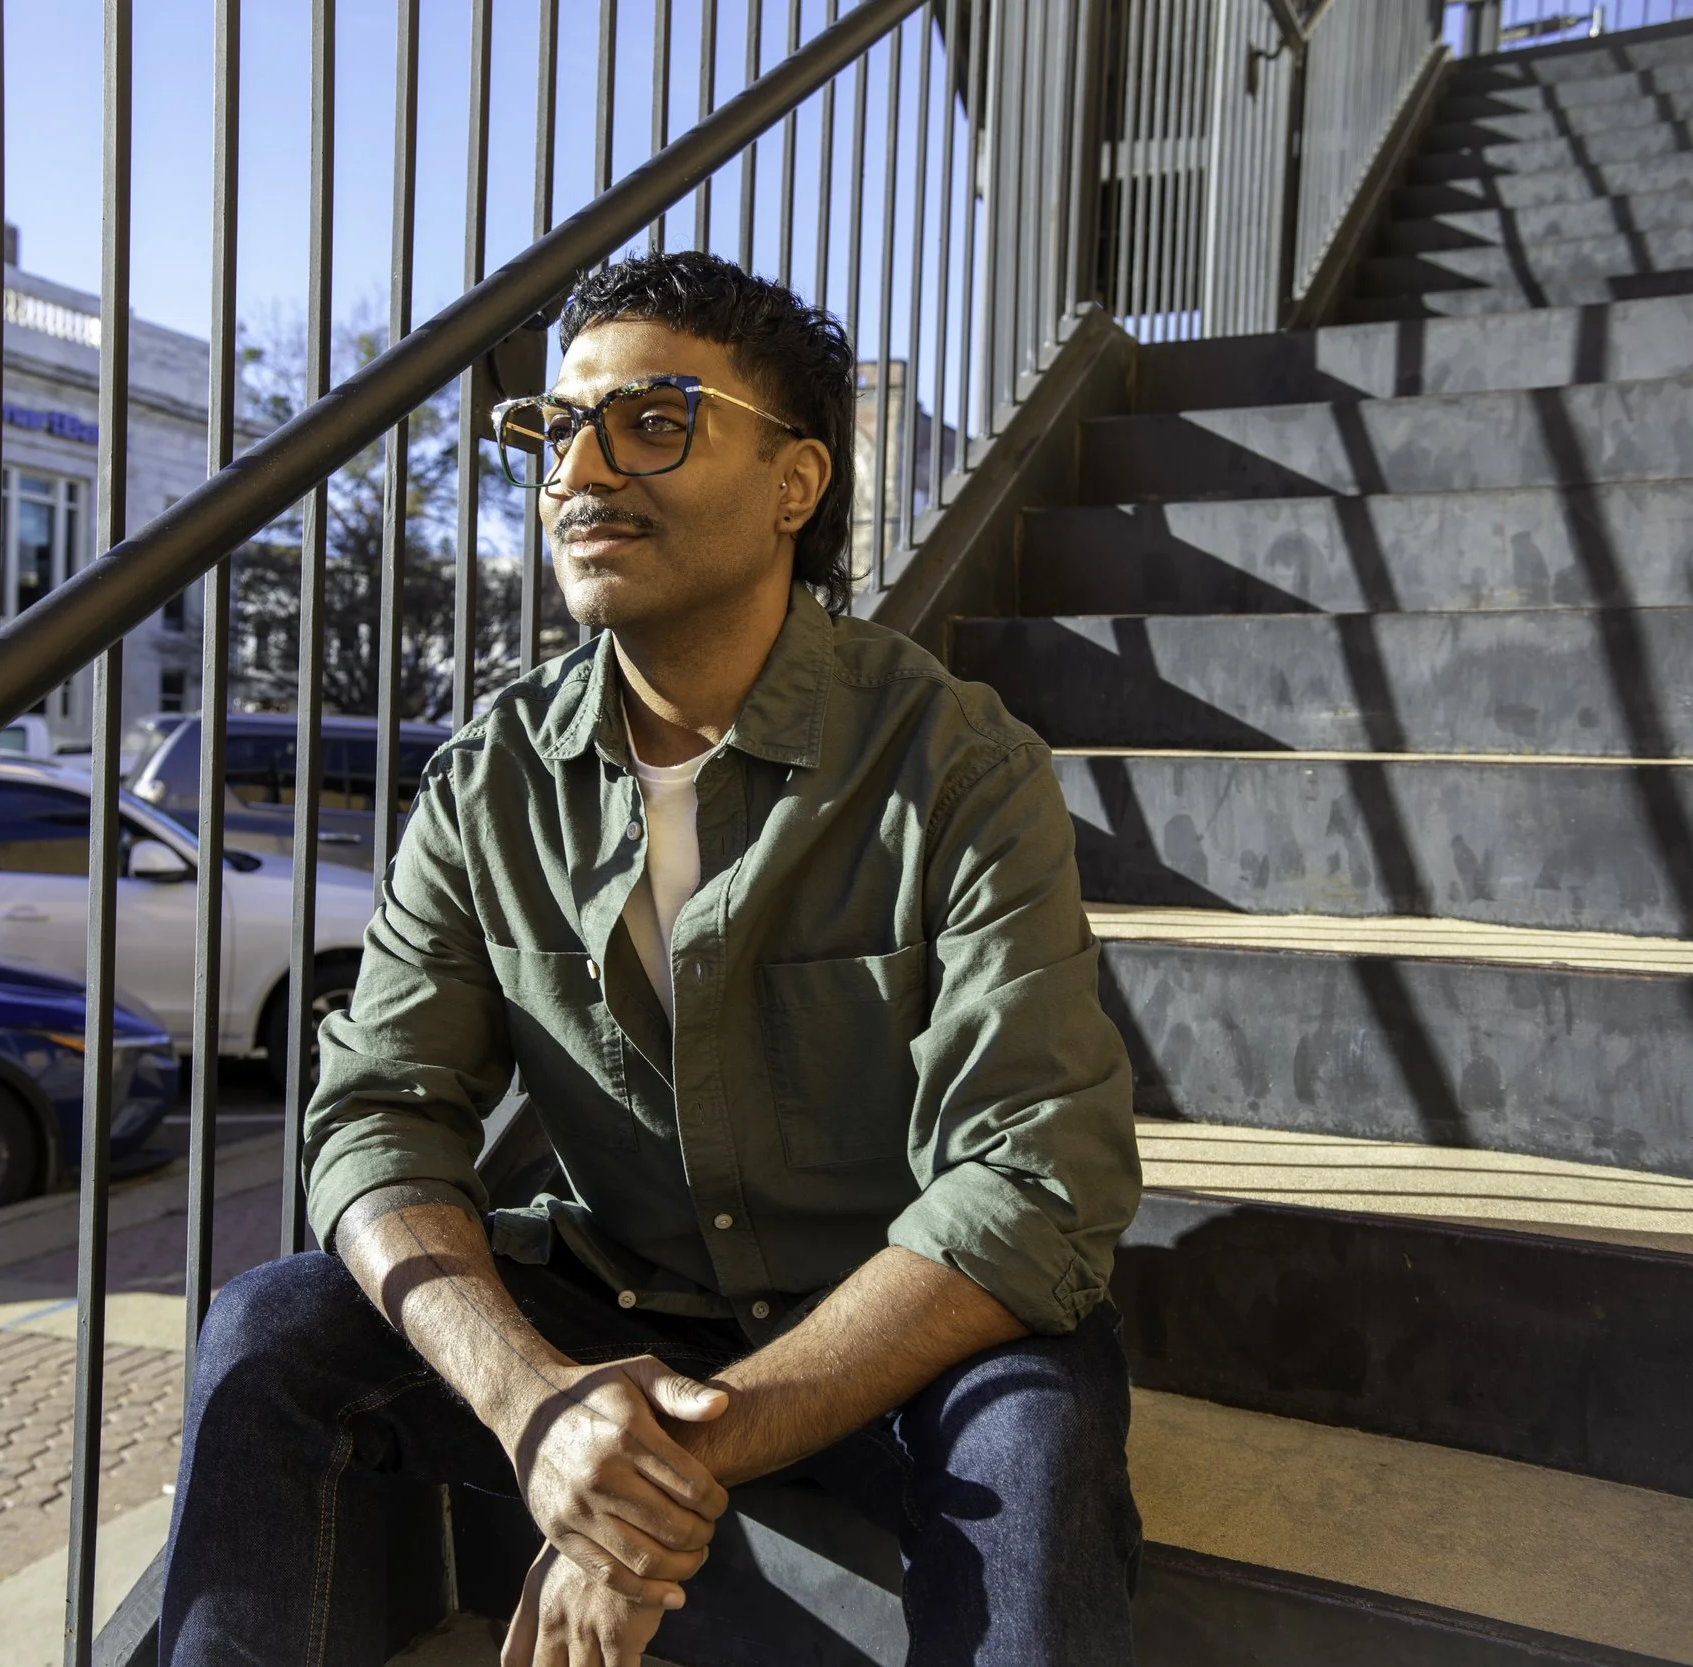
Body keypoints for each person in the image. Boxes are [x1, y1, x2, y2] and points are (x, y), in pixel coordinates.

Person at [159, 252, 1144, 1667]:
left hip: (899, 1339)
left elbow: (1035, 1178)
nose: (580, 469)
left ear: (795, 484)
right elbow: (375, 1117)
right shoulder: (487, 782)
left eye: (655, 420)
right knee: (270, 1332)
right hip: (615, 1312)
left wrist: (649, 1473)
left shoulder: (957, 763)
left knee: (1038, 1441)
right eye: (557, 428)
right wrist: (537, 1407)